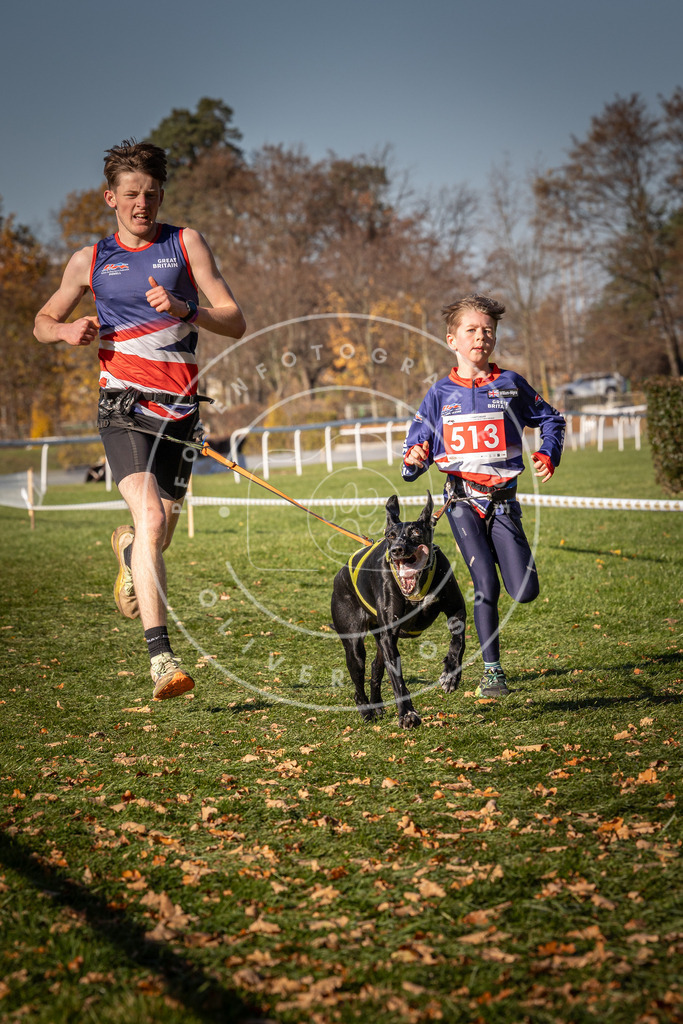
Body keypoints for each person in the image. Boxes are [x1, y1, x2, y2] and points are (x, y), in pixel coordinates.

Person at [34, 140, 246, 700]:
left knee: (161, 531)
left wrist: (185, 310)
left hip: (180, 413)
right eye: (131, 195)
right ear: (110, 198)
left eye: (151, 194)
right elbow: (43, 320)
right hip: (122, 408)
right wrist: (64, 331)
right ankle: (161, 660)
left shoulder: (185, 242)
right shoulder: (91, 259)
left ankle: (128, 551)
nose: (142, 205)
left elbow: (235, 319)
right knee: (151, 518)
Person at [402, 294, 565, 698]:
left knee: (525, 592)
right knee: (485, 587)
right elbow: (411, 462)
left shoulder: (511, 385)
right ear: (452, 340)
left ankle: (501, 550)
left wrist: (547, 452)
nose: (481, 337)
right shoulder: (439, 395)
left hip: (504, 502)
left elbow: (552, 419)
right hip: (461, 503)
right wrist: (416, 457)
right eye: (471, 330)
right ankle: (492, 673)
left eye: (487, 330)